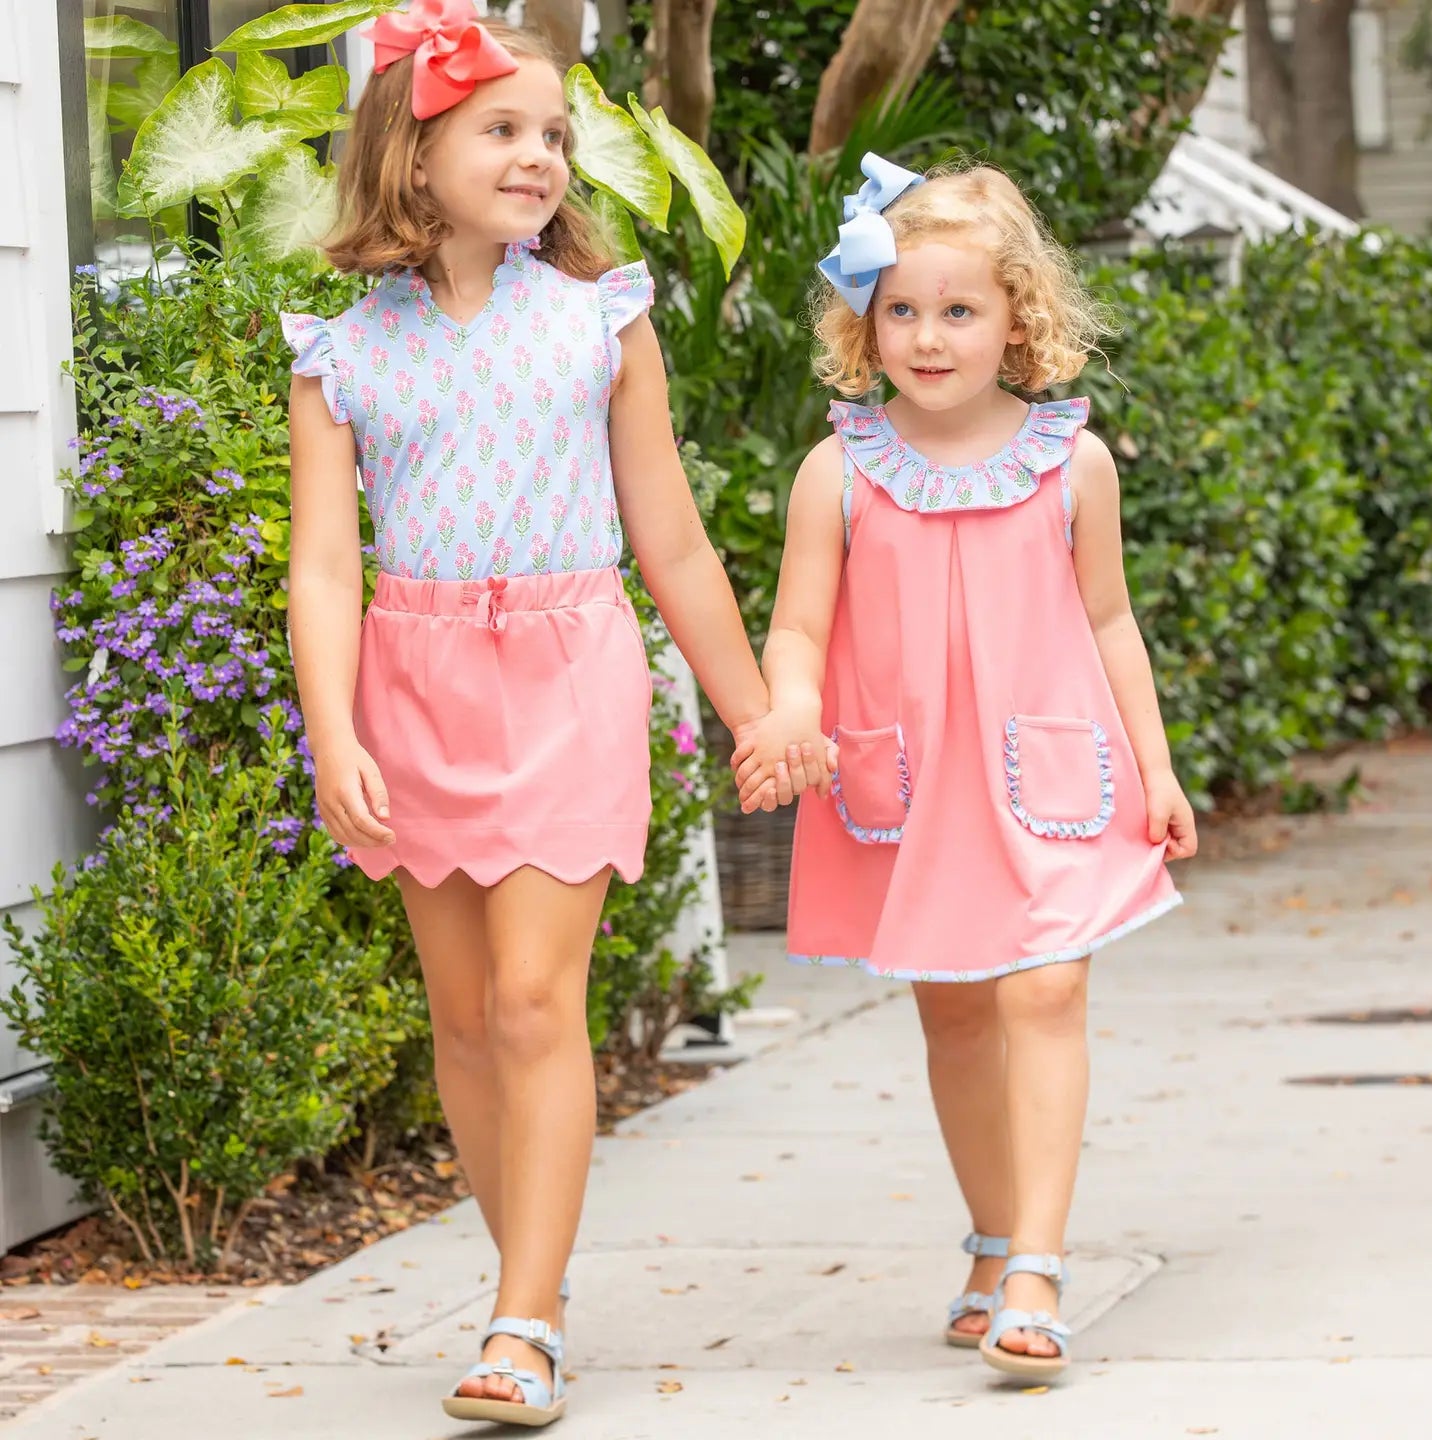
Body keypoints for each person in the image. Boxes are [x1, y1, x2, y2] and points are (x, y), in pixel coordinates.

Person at [284, 1, 799, 1424]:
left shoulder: (598, 323)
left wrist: (753, 707)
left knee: (531, 999)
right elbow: (326, 568)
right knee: (460, 1017)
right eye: (504, 129)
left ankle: (521, 1322)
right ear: (413, 146)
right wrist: (334, 730)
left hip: (570, 668)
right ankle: (532, 1278)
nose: (540, 157)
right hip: (414, 684)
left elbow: (676, 543)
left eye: (554, 135)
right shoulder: (337, 356)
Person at [735, 154, 1199, 1382]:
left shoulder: (1071, 466)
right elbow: (797, 627)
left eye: (960, 311)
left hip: (1054, 776)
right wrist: (789, 708)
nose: (929, 338)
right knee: (951, 1010)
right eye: (902, 310)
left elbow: (1109, 625)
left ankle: (1038, 1269)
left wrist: (1156, 768)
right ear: (864, 321)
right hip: (908, 784)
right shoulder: (836, 471)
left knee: (1044, 994)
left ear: (1018, 320)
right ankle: (994, 1239)